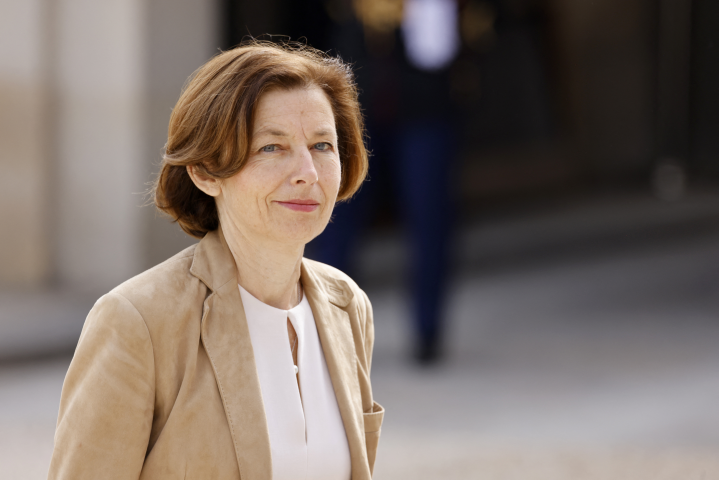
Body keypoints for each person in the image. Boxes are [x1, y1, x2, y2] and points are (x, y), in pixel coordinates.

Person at [48, 42, 384, 480]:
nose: (308, 172)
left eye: (322, 145)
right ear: (206, 172)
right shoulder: (137, 323)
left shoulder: (347, 307)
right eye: (272, 148)